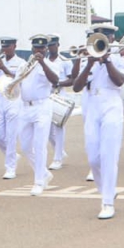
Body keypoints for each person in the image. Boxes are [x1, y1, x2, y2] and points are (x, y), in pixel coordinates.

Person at [73, 23, 124, 219]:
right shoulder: (85, 59)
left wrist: (106, 61)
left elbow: (120, 81)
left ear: (111, 39)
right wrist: (89, 63)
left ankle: (107, 202)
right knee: (93, 158)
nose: (102, 40)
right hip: (93, 106)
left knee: (108, 155)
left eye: (106, 37)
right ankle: (106, 189)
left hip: (111, 104)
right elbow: (77, 87)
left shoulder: (119, 59)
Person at [16, 35, 59, 196]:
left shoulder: (50, 65)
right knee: (26, 147)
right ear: (32, 49)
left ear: (46, 49)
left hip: (42, 106)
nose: (38, 50)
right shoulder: (24, 66)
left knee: (40, 145)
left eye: (42, 48)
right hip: (25, 107)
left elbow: (55, 80)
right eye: (36, 48)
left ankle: (39, 181)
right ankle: (44, 173)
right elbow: (16, 83)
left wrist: (42, 63)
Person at [0, 36, 25, 179]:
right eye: (3, 47)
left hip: (14, 100)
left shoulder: (21, 63)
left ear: (14, 46)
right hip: (0, 100)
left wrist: (3, 68)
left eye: (7, 47)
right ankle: (12, 155)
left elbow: (18, 80)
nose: (5, 50)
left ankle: (10, 167)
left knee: (11, 136)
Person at [46, 34, 71, 170]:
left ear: (58, 45)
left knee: (58, 127)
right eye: (48, 45)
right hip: (46, 96)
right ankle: (59, 150)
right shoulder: (44, 60)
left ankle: (57, 158)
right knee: (48, 131)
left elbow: (71, 79)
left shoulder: (65, 61)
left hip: (59, 96)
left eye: (53, 45)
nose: (51, 48)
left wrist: (59, 83)